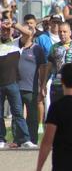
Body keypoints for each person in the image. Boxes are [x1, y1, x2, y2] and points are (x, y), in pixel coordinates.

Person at [0, 18, 37, 148]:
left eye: (7, 30)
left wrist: (14, 25)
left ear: (11, 31)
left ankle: (25, 139)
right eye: (3, 30)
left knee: (18, 113)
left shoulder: (16, 43)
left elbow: (28, 34)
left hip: (13, 83)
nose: (5, 32)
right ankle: (1, 139)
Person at [43, 22, 72, 104]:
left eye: (64, 31)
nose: (62, 34)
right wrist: (44, 84)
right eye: (60, 31)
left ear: (70, 32)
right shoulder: (54, 47)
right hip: (56, 85)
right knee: (56, 112)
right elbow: (48, 67)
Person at [18, 25, 46, 144]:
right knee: (18, 116)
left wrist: (42, 86)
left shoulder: (37, 49)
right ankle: (18, 139)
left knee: (32, 116)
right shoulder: (15, 47)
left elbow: (43, 67)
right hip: (16, 87)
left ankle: (32, 140)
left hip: (31, 87)